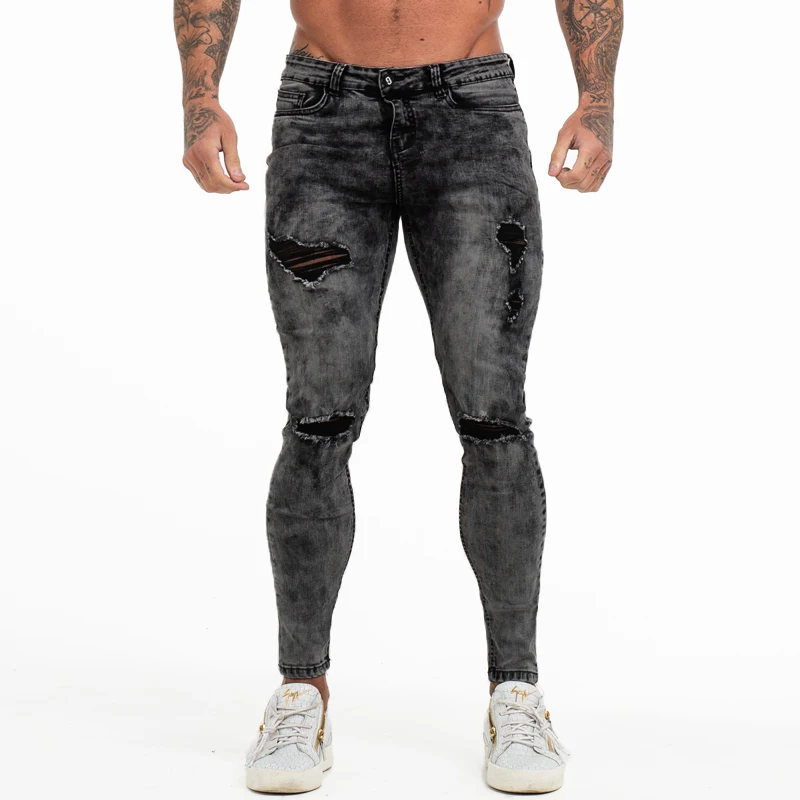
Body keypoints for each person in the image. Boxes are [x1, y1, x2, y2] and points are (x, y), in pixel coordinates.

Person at [174, 0, 623, 793]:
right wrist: (200, 99)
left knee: (493, 416)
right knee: (319, 417)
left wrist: (597, 100)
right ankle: (300, 691)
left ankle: (516, 693)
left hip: (472, 113)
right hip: (323, 116)